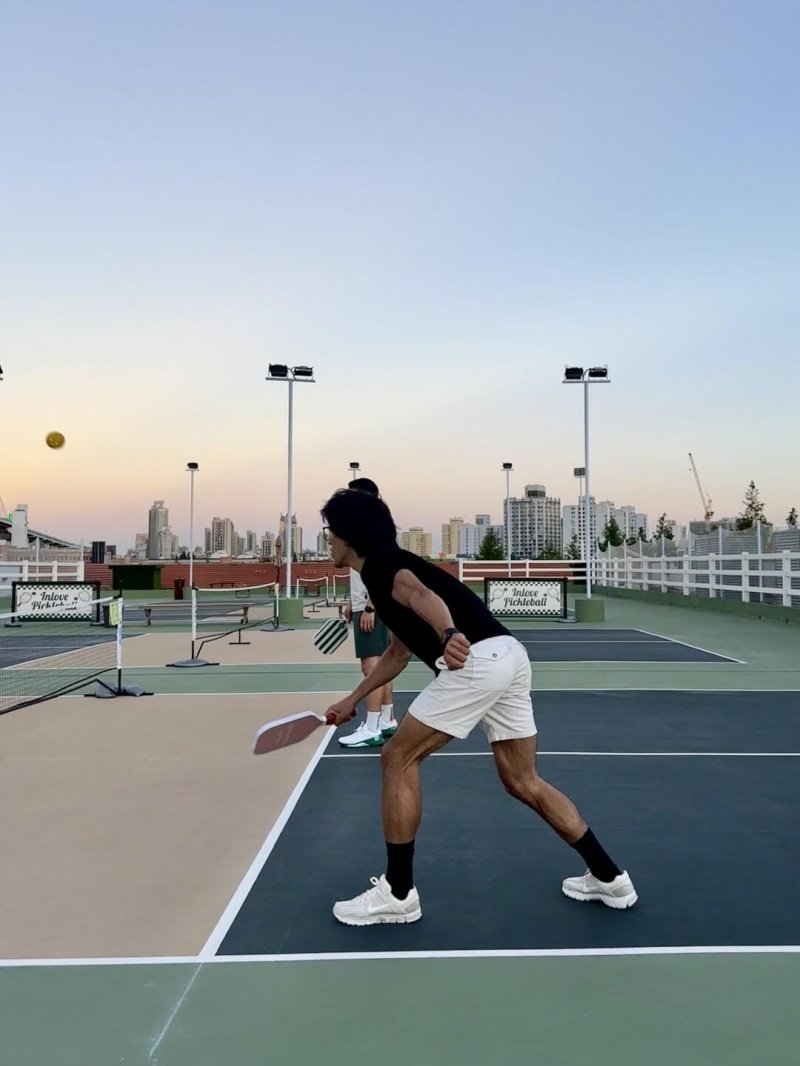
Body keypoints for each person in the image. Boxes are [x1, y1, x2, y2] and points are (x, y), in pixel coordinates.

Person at [321, 488, 637, 926]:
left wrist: (449, 633)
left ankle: (397, 894)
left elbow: (421, 598)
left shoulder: (384, 568)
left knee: (397, 757)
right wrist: (352, 700)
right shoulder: (392, 566)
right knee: (523, 780)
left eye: (330, 533)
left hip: (475, 659)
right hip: (509, 654)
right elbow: (398, 653)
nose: (328, 542)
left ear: (349, 536)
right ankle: (609, 876)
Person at [338, 477, 397, 748]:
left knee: (371, 666)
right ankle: (386, 720)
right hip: (372, 603)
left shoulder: (367, 531)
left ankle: (371, 726)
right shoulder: (376, 527)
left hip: (374, 606)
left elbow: (378, 571)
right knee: (381, 664)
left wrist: (369, 606)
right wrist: (356, 602)